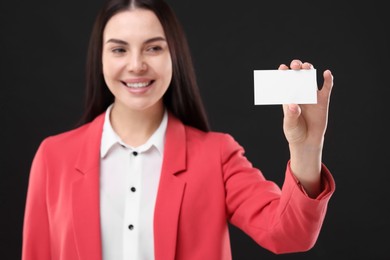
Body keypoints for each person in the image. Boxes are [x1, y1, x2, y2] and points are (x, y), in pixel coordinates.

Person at [22, 0, 335, 259]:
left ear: (175, 56)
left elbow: (289, 234)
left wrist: (305, 149)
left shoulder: (217, 155)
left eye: (153, 48)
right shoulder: (54, 157)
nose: (136, 65)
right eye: (119, 50)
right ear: (99, 58)